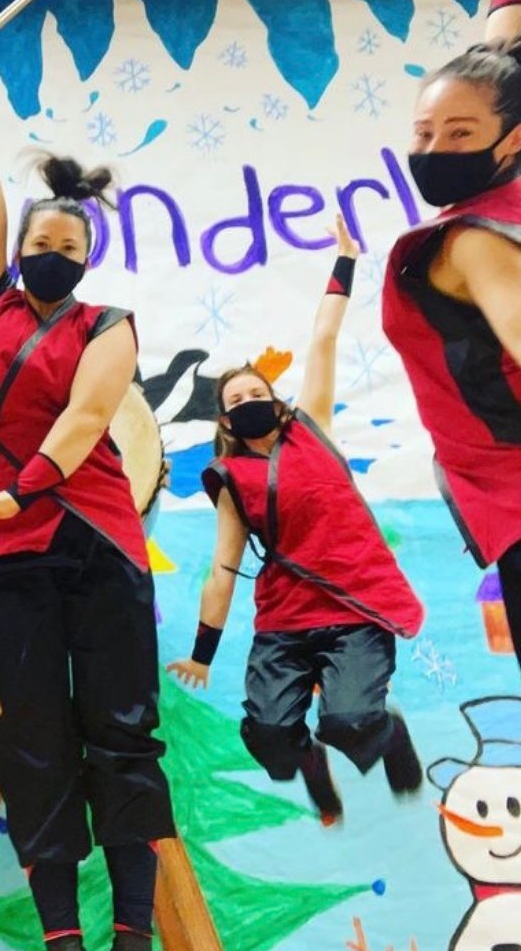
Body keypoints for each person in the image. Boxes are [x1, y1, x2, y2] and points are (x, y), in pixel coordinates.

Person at [0, 39, 174, 951]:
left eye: (68, 246)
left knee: (120, 724)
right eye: (39, 243)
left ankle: (134, 935)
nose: (49, 255)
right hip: (2, 543)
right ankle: (64, 940)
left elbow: (84, 421)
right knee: (33, 730)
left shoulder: (108, 326)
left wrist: (20, 487)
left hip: (93, 532)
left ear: (88, 255)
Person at [169, 217, 425, 824]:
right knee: (269, 737)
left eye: (255, 392)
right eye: (233, 401)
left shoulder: (311, 429)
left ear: (276, 400)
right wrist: (203, 654)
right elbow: (222, 571)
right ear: (226, 422)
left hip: (350, 605)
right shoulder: (232, 479)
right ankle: (308, 764)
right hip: (285, 620)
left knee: (349, 718)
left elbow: (322, 341)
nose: (246, 401)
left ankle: (386, 734)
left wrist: (344, 261)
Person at [382, 0, 521, 672]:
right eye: (423, 133)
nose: (434, 150)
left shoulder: (474, 241)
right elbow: (503, 57)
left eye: (458, 135)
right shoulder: (509, 181)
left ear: (509, 139)